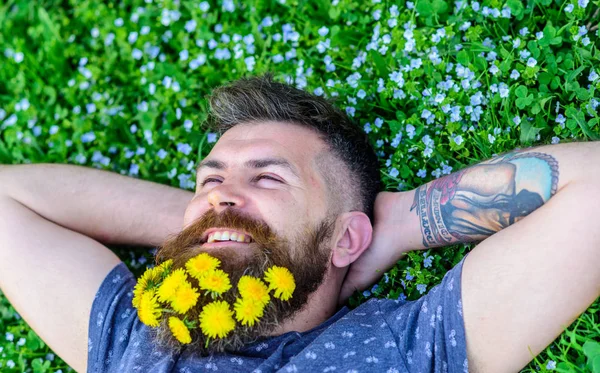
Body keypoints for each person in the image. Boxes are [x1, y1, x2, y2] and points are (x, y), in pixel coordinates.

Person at [0, 75, 598, 373]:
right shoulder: (136, 339)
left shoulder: (405, 348)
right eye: (209, 179)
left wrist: (406, 220)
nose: (222, 195)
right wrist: (211, 227)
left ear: (348, 238)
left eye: (269, 178)